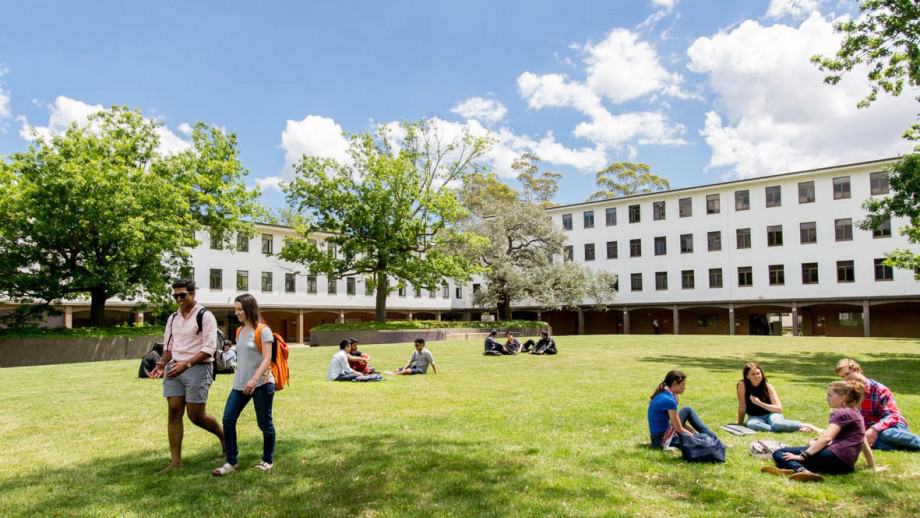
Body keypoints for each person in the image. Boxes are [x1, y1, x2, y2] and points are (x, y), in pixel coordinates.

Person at [147, 278, 224, 474]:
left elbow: (209, 349)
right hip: (174, 369)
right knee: (173, 412)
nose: (179, 299)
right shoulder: (173, 318)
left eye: (182, 295)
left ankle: (224, 437)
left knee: (196, 416)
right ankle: (175, 462)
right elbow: (169, 347)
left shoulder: (205, 316)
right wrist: (161, 364)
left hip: (198, 367)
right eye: (175, 296)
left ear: (192, 294)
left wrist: (187, 364)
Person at [764, 380, 881, 482]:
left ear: (842, 397)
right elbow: (863, 442)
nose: (827, 398)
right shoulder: (856, 413)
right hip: (846, 466)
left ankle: (803, 471)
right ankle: (793, 470)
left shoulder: (841, 413)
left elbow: (827, 438)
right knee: (805, 450)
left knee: (779, 453)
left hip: (835, 458)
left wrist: (804, 456)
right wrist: (873, 467)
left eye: (830, 395)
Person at [213, 294, 276, 476]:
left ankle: (267, 459)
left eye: (240, 309)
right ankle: (231, 462)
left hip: (262, 384)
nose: (237, 312)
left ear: (249, 308)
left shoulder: (263, 331)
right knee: (228, 419)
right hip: (240, 384)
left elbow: (267, 359)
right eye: (236, 309)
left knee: (264, 423)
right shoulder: (240, 331)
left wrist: (254, 380)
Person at [836, 358, 920, 451]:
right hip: (870, 430)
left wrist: (875, 429)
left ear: (857, 370)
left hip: (892, 426)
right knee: (863, 440)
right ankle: (906, 446)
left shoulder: (880, 389)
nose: (846, 379)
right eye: (843, 377)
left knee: (885, 434)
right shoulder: (850, 393)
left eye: (847, 374)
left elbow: (894, 415)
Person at [736, 362, 816, 433]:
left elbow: (779, 409)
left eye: (758, 373)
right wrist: (740, 423)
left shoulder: (768, 387)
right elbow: (742, 406)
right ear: (747, 376)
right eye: (753, 374)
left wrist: (759, 403)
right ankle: (783, 428)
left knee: (778, 424)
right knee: (752, 424)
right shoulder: (742, 385)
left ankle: (805, 425)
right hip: (755, 417)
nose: (757, 376)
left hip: (772, 414)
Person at [647, 370, 717, 449]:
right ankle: (715, 441)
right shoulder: (669, 400)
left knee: (687, 410)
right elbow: (679, 429)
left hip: (659, 436)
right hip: (662, 440)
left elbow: (677, 422)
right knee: (703, 438)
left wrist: (694, 432)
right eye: (683, 384)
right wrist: (696, 437)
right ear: (674, 383)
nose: (685, 387)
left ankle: (715, 440)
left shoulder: (665, 393)